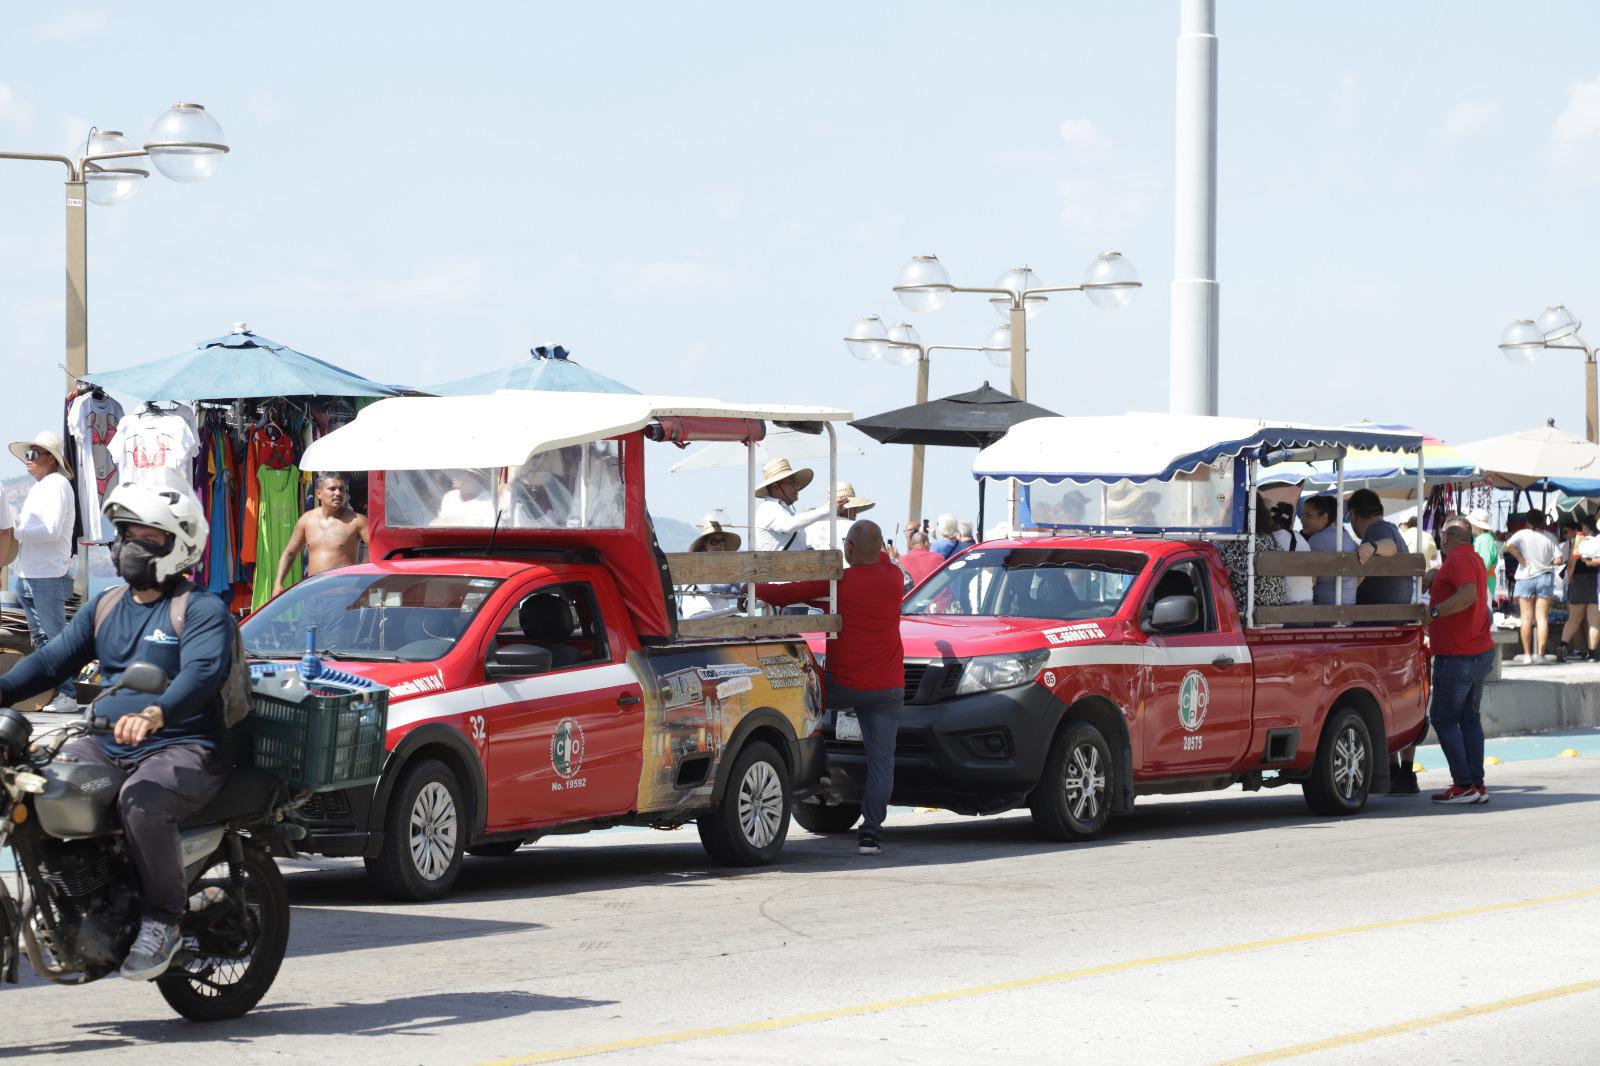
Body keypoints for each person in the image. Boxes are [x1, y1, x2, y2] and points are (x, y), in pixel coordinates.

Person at [0, 483, 233, 980]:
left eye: (146, 536)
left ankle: (163, 921)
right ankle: (68, 898)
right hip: (105, 741)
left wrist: (155, 713)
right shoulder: (106, 604)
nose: (130, 546)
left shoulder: (199, 609)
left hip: (184, 746)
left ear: (179, 544)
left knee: (142, 801)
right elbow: (49, 661)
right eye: (125, 534)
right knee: (39, 785)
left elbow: (202, 673)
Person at [758, 520, 903, 856]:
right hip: (888, 687)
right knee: (883, 764)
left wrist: (750, 587)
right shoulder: (894, 577)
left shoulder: (839, 583)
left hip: (843, 685)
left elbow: (783, 594)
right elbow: (879, 560)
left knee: (799, 719)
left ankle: (814, 778)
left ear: (849, 549)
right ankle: (870, 836)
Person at [1421, 517, 1495, 805]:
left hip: (1458, 654)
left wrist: (1434, 613)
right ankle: (1475, 784)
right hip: (1476, 651)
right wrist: (1438, 573)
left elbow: (1465, 595)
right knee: (1468, 718)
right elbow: (1464, 587)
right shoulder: (1471, 558)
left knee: (1443, 718)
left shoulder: (1458, 560)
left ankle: (1464, 784)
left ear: (1447, 537)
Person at [10, 431, 80, 713]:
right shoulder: (43, 486)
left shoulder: (57, 485)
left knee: (52, 637)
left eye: (33, 455)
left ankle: (69, 694)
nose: (28, 460)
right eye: (27, 455)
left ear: (51, 459)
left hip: (46, 576)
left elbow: (50, 530)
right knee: (41, 639)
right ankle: (54, 691)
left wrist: (15, 533)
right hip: (31, 574)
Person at [272, 473, 370, 599]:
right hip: (312, 596)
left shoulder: (357, 521)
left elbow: (377, 553)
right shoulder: (307, 520)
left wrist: (365, 584)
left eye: (342, 489)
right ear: (319, 493)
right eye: (332, 489)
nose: (338, 493)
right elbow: (290, 553)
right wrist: (278, 583)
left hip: (343, 597)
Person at [1504, 509, 1561, 664]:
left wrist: (1520, 559)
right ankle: (1541, 656)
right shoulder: (1550, 537)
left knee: (1526, 618)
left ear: (1527, 522)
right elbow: (1560, 559)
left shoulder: (1522, 534)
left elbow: (1507, 545)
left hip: (1525, 577)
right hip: (1544, 577)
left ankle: (1527, 655)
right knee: (1542, 618)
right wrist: (1549, 563)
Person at [1216, 498, 1285, 617]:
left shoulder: (1239, 542)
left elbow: (1219, 581)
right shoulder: (1271, 540)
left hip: (1248, 614)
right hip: (1275, 613)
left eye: (1228, 511)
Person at [1346, 489, 1412, 605]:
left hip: (1377, 615)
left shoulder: (1376, 529)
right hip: (1396, 612)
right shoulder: (1390, 528)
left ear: (1353, 515)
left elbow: (1391, 546)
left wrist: (1372, 546)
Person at [752, 458, 831, 552]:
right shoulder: (767, 508)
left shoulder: (778, 509)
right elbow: (788, 525)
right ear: (775, 487)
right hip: (782, 566)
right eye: (792, 482)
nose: (797, 486)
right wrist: (827, 509)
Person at [679, 518, 743, 619]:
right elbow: (708, 589)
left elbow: (736, 592)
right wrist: (728, 584)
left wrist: (722, 588)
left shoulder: (724, 565)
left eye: (721, 541)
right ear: (704, 544)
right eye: (714, 541)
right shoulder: (696, 562)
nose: (718, 545)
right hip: (699, 616)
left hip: (719, 616)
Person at [1300, 496, 1358, 606]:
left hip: (1324, 611)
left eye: (1308, 515)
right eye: (1302, 515)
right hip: (1349, 609)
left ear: (1324, 518)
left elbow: (1309, 581)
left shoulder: (1317, 540)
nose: (1302, 519)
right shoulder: (1346, 537)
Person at [806, 482, 875, 554]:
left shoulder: (808, 528)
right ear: (844, 509)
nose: (856, 512)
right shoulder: (855, 528)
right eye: (854, 508)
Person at [1268, 501, 1314, 605]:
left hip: (1288, 603)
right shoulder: (1300, 538)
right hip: (1308, 602)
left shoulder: (1272, 540)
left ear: (1271, 520)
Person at [1466, 508, 1501, 600]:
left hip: (1484, 582)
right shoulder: (1481, 538)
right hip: (1483, 581)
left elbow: (1484, 565)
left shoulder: (1485, 539)